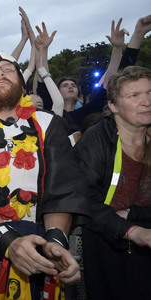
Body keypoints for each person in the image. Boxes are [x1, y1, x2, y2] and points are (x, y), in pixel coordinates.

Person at [0, 51, 90, 299]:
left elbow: (62, 189)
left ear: (22, 83)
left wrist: (54, 243)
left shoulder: (49, 122)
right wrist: (8, 241)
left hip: (41, 247)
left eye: (8, 69)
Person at [74, 66, 151, 300]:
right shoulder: (96, 140)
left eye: (150, 93)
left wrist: (131, 213)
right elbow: (84, 201)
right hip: (108, 244)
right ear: (114, 107)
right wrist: (132, 230)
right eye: (134, 96)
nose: (146, 102)